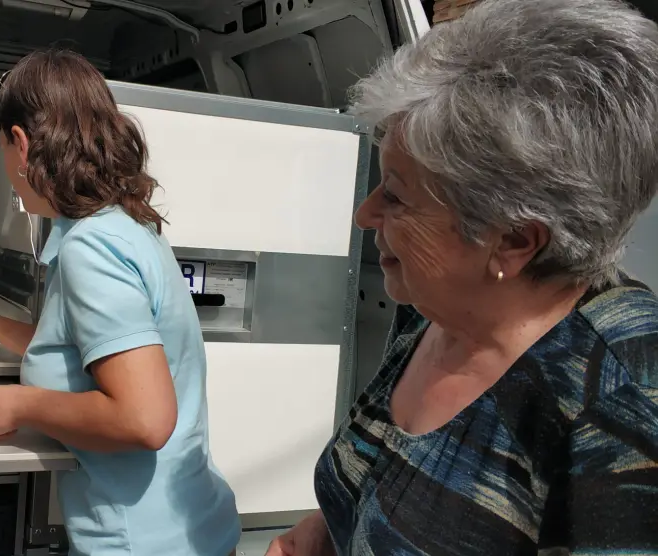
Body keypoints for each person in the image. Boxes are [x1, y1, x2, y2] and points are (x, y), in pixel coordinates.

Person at [267, 0, 658, 554]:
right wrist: (319, 535)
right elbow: (387, 484)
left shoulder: (622, 405)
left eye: (397, 196)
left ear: (516, 240)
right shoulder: (439, 304)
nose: (366, 214)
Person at [0, 49, 241, 556]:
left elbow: (144, 418)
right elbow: (80, 347)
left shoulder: (91, 248)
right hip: (191, 530)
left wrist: (20, 404)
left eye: (3, 145)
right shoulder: (126, 226)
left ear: (22, 145)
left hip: (143, 545)